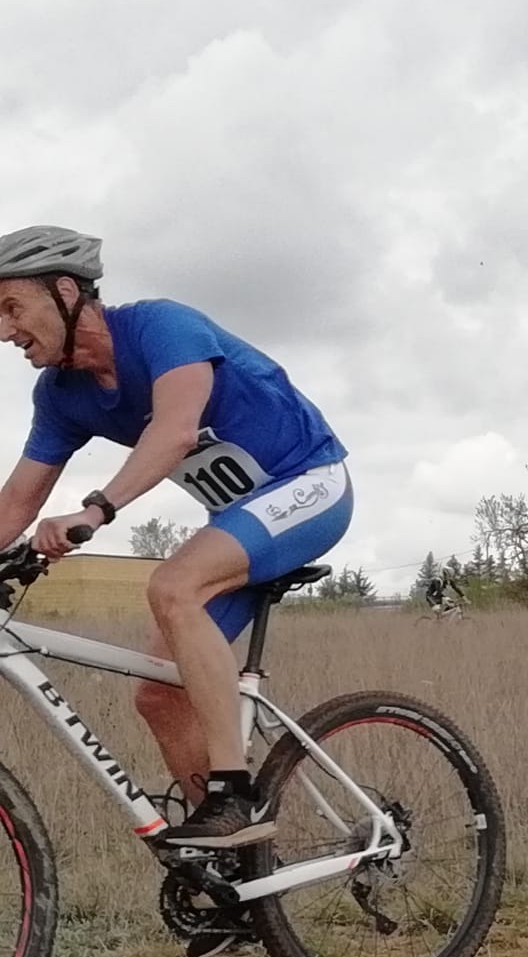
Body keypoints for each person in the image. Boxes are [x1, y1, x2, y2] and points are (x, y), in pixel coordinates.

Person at [0, 225, 352, 848]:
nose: (5, 331)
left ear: (66, 291)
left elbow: (175, 431)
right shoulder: (60, 395)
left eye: (11, 308)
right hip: (240, 519)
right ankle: (235, 861)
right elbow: (17, 503)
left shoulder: (162, 327)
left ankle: (232, 794)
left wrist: (96, 511)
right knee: (160, 697)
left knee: (174, 586)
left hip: (310, 485)